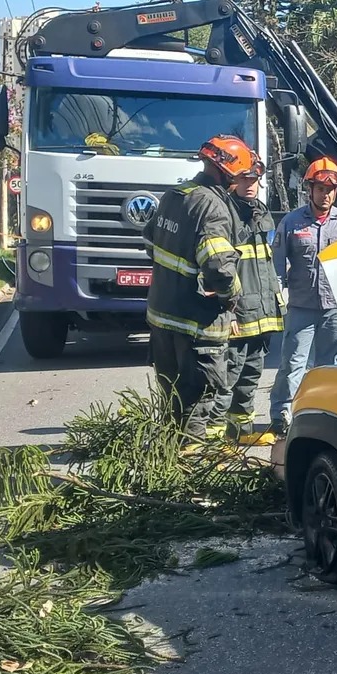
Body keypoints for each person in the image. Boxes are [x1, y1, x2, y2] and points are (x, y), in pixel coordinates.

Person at [143, 134, 247, 443]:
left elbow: (150, 242)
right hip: (196, 325)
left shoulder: (174, 195)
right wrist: (232, 297)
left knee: (172, 402)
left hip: (162, 317)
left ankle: (167, 465)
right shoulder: (213, 207)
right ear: (227, 171)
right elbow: (218, 266)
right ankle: (190, 472)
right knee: (196, 405)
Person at [269, 157, 337, 436]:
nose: (326, 194)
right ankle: (282, 415)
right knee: (293, 363)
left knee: (329, 367)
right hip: (301, 307)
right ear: (310, 189)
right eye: (320, 188)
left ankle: (323, 416)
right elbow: (276, 265)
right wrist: (277, 297)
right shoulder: (292, 223)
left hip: (335, 309)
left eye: (331, 189)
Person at [207, 154, 285, 447]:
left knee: (250, 377)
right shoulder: (225, 215)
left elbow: (265, 266)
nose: (250, 185)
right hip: (238, 314)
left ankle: (241, 432)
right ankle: (214, 440)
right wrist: (228, 313)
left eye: (253, 180)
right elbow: (218, 269)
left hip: (261, 313)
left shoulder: (261, 213)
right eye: (244, 179)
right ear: (233, 180)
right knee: (226, 379)